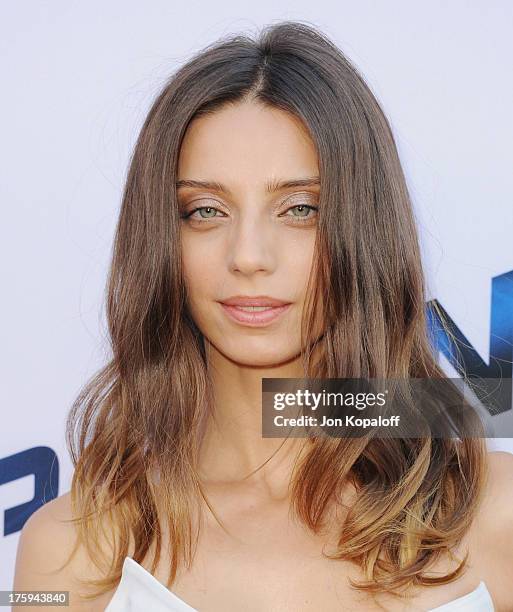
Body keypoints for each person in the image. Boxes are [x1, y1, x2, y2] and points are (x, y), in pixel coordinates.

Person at [13, 20, 513, 611]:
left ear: (363, 231)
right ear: (161, 240)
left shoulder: (491, 514)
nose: (248, 255)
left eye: (300, 208)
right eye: (205, 211)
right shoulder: (72, 551)